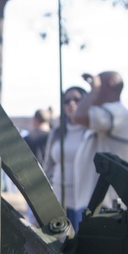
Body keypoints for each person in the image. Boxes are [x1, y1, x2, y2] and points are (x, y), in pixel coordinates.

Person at [71, 70, 128, 216]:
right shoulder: (106, 112)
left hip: (105, 204)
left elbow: (78, 116)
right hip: (92, 202)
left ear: (110, 84)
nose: (92, 90)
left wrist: (95, 90)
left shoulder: (119, 112)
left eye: (99, 84)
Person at [42, 86, 88, 230]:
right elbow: (48, 164)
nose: (71, 104)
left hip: (84, 201)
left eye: (77, 99)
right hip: (58, 200)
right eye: (67, 101)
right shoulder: (57, 132)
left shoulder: (92, 133)